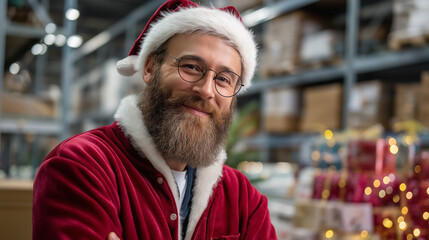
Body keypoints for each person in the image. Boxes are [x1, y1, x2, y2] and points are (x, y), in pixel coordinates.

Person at [33, 0, 277, 239]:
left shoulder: (243, 199)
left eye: (224, 79)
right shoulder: (82, 166)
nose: (206, 90)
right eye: (191, 67)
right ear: (149, 67)